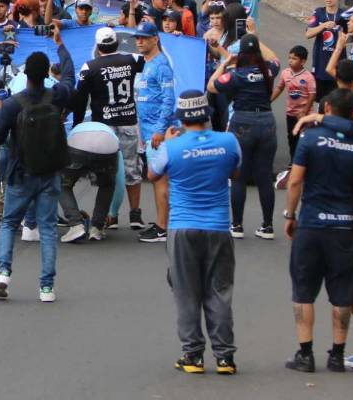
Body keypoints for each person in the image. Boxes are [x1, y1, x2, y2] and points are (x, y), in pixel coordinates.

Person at [282, 89, 353, 374]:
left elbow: (295, 181)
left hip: (313, 224)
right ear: (350, 114)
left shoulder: (311, 138)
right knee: (348, 293)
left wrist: (289, 214)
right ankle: (339, 355)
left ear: (329, 107)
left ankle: (307, 353)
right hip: (345, 226)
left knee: (305, 292)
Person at [147, 91, 241, 376]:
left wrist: (169, 143)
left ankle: (193, 355)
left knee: (186, 292)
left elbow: (152, 174)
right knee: (219, 292)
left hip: (183, 226)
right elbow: (235, 174)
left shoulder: (172, 147)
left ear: (182, 117)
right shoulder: (228, 141)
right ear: (207, 114)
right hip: (218, 226)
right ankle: (225, 358)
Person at [0, 40, 74, 303]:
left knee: (8, 223)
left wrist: (1, 111)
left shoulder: (14, 104)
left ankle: (3, 273)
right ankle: (46, 287)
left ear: (26, 75)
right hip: (50, 172)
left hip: (21, 171)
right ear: (47, 75)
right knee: (48, 228)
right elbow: (70, 76)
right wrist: (62, 45)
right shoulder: (57, 95)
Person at [208, 32, 280, 239]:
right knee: (264, 176)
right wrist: (256, 35)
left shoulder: (236, 75)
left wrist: (226, 62)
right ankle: (267, 226)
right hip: (267, 121)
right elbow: (275, 57)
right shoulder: (268, 70)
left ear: (241, 54)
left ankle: (237, 225)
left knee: (239, 175)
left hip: (242, 122)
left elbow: (212, 86)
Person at [74, 26, 145, 231]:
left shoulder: (90, 66)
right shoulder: (131, 60)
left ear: (98, 47)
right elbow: (145, 59)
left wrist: (78, 123)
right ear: (115, 43)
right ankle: (135, 214)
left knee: (107, 171)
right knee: (132, 167)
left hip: (103, 126)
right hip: (129, 120)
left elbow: (80, 98)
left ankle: (106, 216)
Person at [134, 19, 176, 243]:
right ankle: (162, 222)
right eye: (137, 38)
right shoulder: (148, 63)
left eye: (143, 38)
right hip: (149, 132)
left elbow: (169, 101)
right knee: (157, 180)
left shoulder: (160, 65)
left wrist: (159, 130)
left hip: (157, 134)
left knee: (160, 180)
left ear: (155, 39)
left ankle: (162, 227)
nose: (139, 42)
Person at [58, 120, 120, 243]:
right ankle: (97, 227)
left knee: (62, 184)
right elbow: (119, 179)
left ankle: (75, 224)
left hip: (78, 147)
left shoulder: (73, 130)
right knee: (107, 184)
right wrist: (113, 212)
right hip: (108, 146)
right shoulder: (109, 132)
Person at [273, 45, 316, 160]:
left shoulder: (308, 77)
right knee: (292, 138)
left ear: (303, 61)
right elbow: (279, 87)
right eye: (289, 58)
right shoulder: (285, 73)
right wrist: (269, 100)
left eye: (294, 58)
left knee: (304, 139)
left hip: (305, 115)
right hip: (291, 113)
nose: (290, 61)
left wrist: (305, 111)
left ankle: (305, 163)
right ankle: (293, 162)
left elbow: (312, 94)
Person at [305, 0, 344, 102]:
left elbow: (352, 36)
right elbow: (308, 33)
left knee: (337, 102)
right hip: (320, 66)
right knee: (320, 102)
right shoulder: (318, 13)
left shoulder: (344, 15)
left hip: (338, 67)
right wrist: (322, 26)